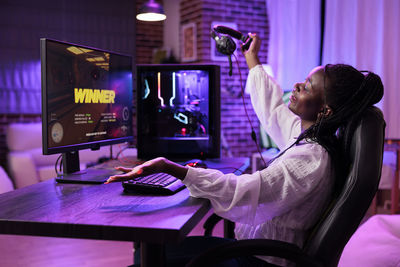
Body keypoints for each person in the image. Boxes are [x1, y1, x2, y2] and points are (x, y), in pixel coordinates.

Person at [105, 34, 384, 266]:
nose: (297, 85)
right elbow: (273, 110)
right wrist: (252, 58)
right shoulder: (308, 136)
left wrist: (170, 167)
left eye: (307, 86)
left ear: (324, 110)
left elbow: (246, 192)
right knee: (150, 255)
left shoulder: (310, 158)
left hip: (261, 261)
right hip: (256, 251)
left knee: (150, 258)